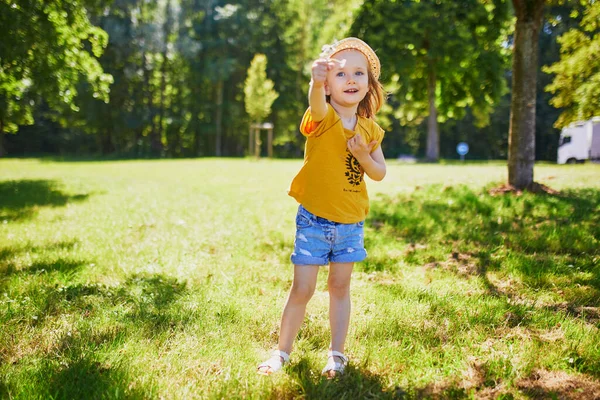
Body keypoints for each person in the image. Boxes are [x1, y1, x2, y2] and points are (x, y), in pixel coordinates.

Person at [257, 37, 386, 378]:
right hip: (314, 220)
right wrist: (314, 81)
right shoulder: (323, 117)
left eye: (359, 73)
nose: (351, 80)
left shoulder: (370, 129)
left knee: (340, 288)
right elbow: (315, 104)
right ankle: (281, 353)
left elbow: (379, 172)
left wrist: (362, 155)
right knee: (303, 289)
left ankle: (337, 355)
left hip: (350, 223)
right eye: (341, 74)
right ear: (328, 85)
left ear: (368, 85)